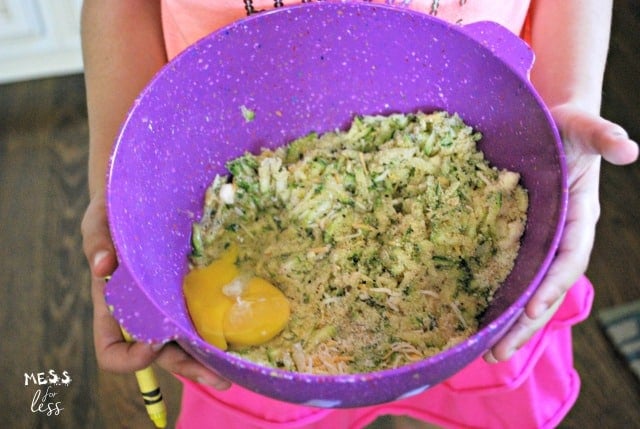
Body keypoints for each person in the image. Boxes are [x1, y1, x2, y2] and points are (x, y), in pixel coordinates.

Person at [80, 1, 639, 428]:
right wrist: (120, 180)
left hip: (485, 136)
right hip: (212, 147)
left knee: (492, 386)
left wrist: (570, 98)